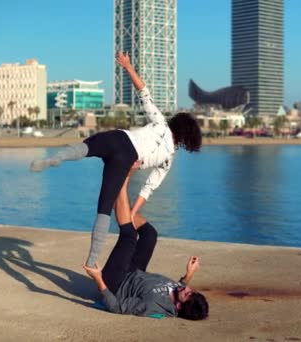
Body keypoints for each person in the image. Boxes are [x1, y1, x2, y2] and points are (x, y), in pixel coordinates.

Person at [30, 51, 202, 267]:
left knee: (85, 147)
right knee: (104, 208)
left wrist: (128, 66)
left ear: (176, 124)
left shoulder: (160, 122)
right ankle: (92, 260)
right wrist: (132, 212)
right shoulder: (168, 160)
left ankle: (56, 158)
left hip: (119, 137)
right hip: (127, 159)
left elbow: (143, 92)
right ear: (186, 140)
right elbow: (148, 188)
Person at [82, 170, 209, 320]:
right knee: (150, 235)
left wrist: (98, 280)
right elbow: (178, 286)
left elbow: (117, 307)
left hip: (116, 282)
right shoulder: (178, 292)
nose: (187, 288)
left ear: (179, 307)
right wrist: (189, 274)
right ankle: (122, 200)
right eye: (191, 290)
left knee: (129, 236)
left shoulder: (153, 305)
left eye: (187, 293)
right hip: (135, 272)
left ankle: (122, 176)